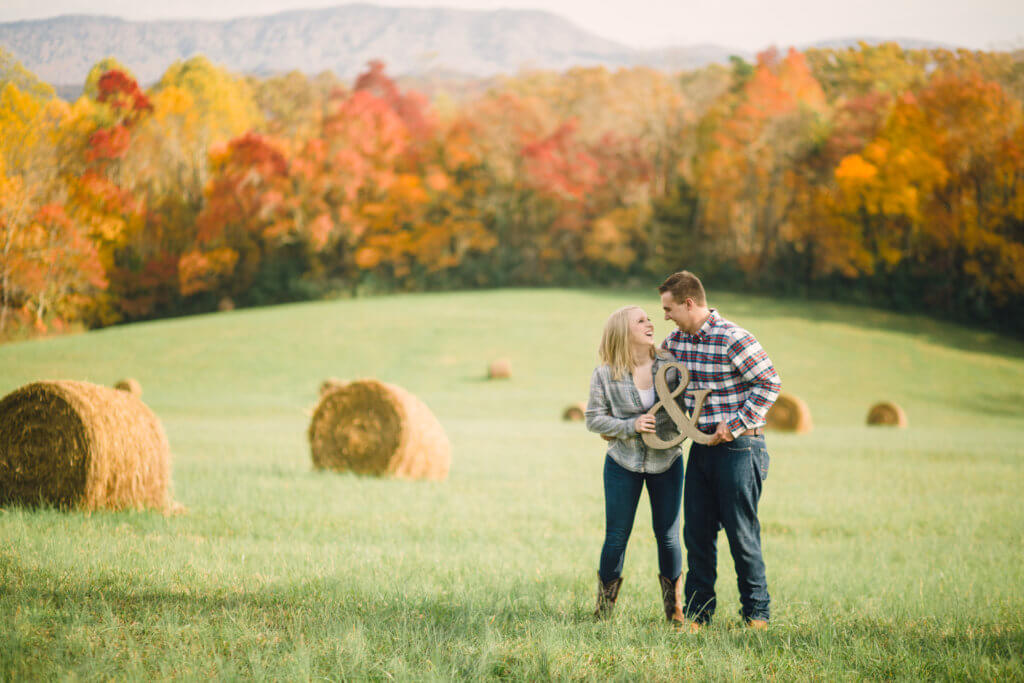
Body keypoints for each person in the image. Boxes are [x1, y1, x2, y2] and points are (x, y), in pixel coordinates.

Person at [658, 271, 781, 631]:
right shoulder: (677, 341)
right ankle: (698, 617)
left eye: (668, 308)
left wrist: (737, 423)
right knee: (696, 533)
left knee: (741, 534)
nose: (664, 315)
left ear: (689, 303)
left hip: (740, 449)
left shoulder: (733, 338)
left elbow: (770, 381)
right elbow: (658, 373)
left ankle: (757, 616)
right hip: (701, 451)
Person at [584, 305, 688, 626]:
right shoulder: (604, 373)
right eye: (640, 320)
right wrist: (630, 425)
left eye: (649, 318)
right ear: (623, 332)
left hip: (667, 462)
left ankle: (674, 613)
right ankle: (604, 613)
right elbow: (593, 419)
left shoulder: (672, 369)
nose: (650, 323)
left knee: (668, 536)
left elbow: (688, 413)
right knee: (616, 536)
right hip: (622, 463)